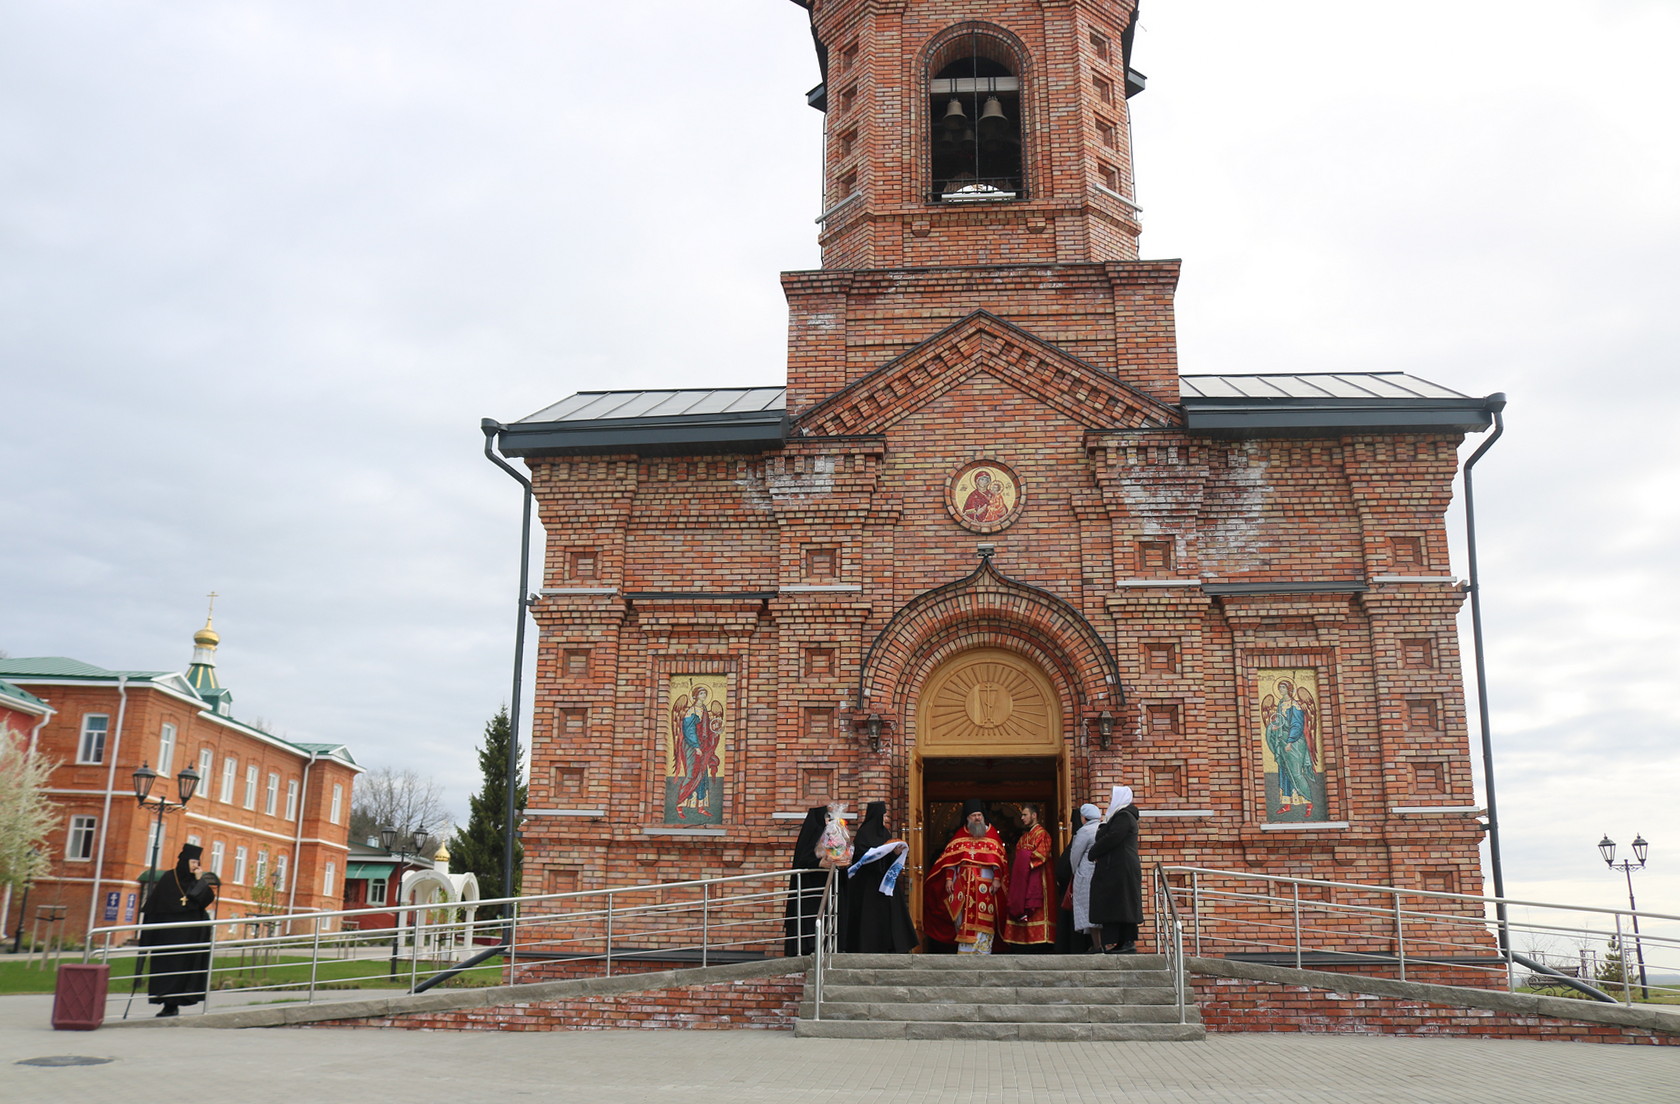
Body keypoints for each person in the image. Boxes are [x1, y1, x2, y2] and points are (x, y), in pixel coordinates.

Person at [137, 843, 220, 1017]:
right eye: (192, 861)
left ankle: (177, 1002)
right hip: (168, 937)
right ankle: (168, 1004)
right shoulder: (169, 879)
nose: (195, 865)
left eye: (197, 862)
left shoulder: (196, 880)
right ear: (183, 861)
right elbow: (155, 907)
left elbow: (204, 900)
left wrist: (199, 880)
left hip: (191, 938)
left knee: (185, 971)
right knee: (167, 970)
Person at [926, 799, 1009, 955]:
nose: (977, 818)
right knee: (962, 918)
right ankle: (965, 952)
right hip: (963, 886)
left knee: (985, 916)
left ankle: (983, 951)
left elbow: (999, 860)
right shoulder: (960, 835)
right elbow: (950, 860)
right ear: (967, 818)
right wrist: (949, 879)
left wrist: (997, 879)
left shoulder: (991, 834)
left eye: (979, 815)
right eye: (973, 815)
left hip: (985, 884)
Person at [842, 801, 917, 953]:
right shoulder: (863, 834)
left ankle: (892, 946)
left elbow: (888, 857)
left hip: (885, 885)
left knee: (890, 916)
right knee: (869, 918)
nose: (883, 820)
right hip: (867, 886)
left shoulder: (885, 833)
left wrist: (895, 852)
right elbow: (860, 858)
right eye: (882, 816)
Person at [1088, 785, 1142, 954]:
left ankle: (1126, 941)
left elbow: (1111, 838)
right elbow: (1102, 835)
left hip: (1121, 869)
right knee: (1118, 904)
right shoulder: (1116, 816)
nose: (1109, 800)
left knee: (1123, 904)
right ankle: (1120, 941)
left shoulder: (1123, 816)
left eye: (1112, 796)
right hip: (1117, 868)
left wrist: (1093, 852)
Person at [1001, 802, 1054, 952]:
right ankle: (1021, 943)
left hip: (1038, 880)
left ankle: (1039, 944)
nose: (1022, 818)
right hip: (1021, 881)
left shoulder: (1042, 834)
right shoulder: (1024, 838)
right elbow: (1017, 858)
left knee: (1036, 912)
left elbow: (1040, 855)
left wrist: (1024, 860)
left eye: (1025, 815)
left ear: (1034, 815)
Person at [783, 805, 831, 956]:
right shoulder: (813, 833)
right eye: (827, 818)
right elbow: (804, 859)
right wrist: (818, 863)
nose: (829, 821)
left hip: (819, 888)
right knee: (809, 919)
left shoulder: (822, 833)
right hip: (808, 888)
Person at [1068, 802, 1102, 952]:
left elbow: (1075, 855)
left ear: (1084, 818)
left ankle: (1097, 945)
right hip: (1101, 873)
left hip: (1087, 873)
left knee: (1089, 911)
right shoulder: (1103, 827)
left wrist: (1075, 872)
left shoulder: (1085, 831)